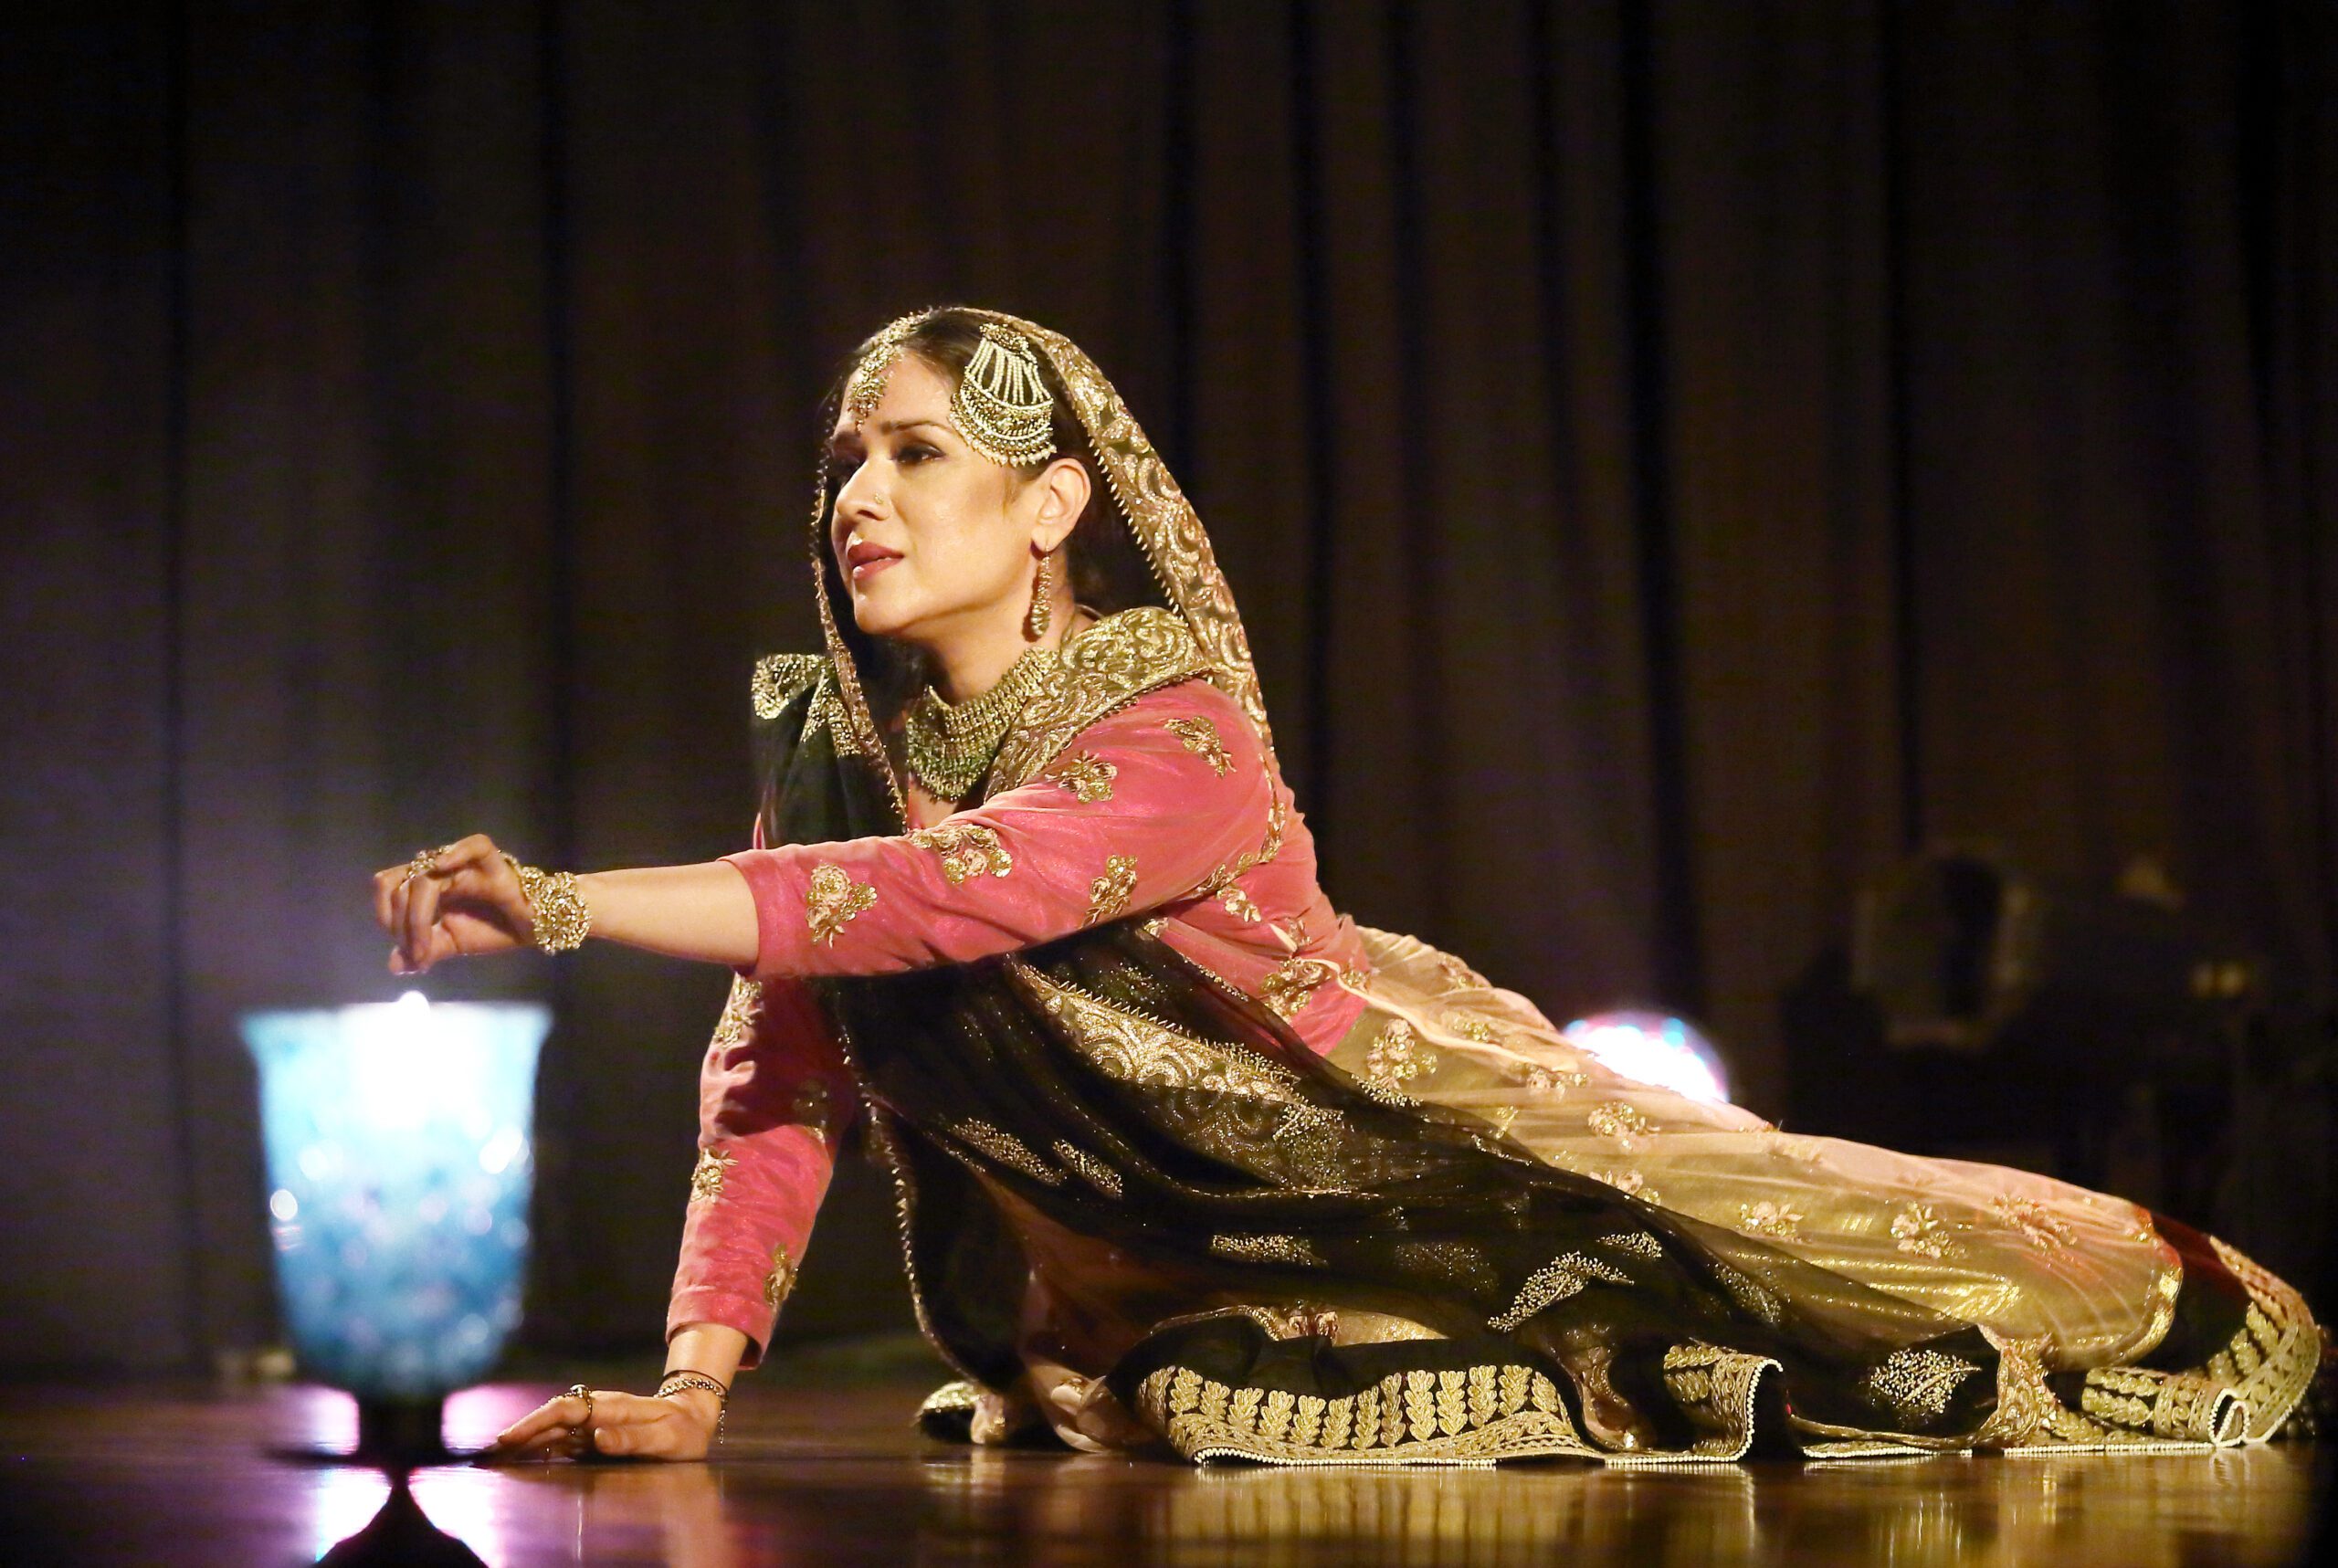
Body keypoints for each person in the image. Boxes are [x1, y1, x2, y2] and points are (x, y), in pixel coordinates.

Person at [375, 307, 2321, 1466]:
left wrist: (562, 903)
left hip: (1408, 1141)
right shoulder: (838, 747)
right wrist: (692, 1382)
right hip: (1172, 1246)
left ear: (1050, 505)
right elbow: (784, 1050)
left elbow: (941, 896)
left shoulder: (1174, 733)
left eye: (909, 453)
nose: (854, 501)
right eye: (838, 464)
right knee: (1206, 1399)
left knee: (1805, 1296)